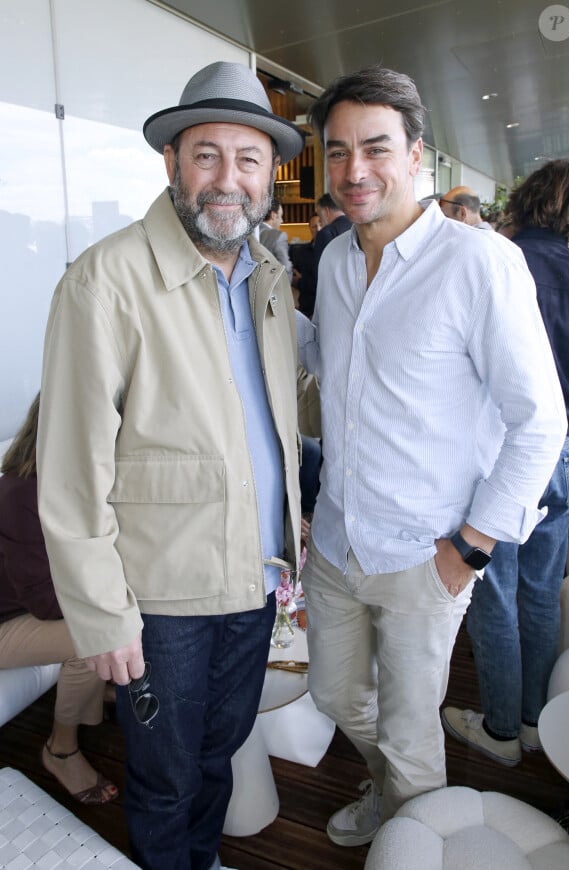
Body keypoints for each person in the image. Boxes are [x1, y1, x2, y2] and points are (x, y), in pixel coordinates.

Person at [36, 61, 304, 870]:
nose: (228, 178)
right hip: (164, 601)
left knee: (219, 753)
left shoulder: (268, 274)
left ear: (268, 175)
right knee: (162, 778)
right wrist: (104, 616)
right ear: (172, 163)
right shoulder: (104, 281)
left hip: (254, 581)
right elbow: (71, 471)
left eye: (247, 159)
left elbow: (270, 421)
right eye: (207, 155)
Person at [296, 65, 566, 848]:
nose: (354, 171)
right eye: (338, 151)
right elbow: (331, 362)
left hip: (428, 553)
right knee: (335, 692)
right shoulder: (339, 260)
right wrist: (266, 301)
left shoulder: (479, 262)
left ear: (418, 154)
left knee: (415, 741)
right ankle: (389, 794)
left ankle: (410, 834)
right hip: (341, 540)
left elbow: (538, 421)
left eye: (376, 148)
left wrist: (471, 547)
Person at [442, 158, 569, 765]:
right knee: (541, 592)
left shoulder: (492, 261)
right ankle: (532, 721)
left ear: (524, 200)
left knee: (492, 591)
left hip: (504, 453)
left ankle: (499, 729)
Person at [0, 394, 117, 805]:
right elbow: (45, 603)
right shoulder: (18, 495)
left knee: (109, 618)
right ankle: (60, 749)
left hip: (22, 609)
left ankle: (94, 697)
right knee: (94, 634)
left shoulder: (70, 487)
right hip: (6, 622)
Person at [291, 213, 321, 317]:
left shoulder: (332, 250)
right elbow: (295, 277)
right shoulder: (302, 252)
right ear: (310, 229)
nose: (318, 229)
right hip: (307, 307)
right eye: (314, 226)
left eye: (320, 224)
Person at [313, 192, 352, 271]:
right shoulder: (357, 227)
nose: (320, 220)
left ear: (327, 211)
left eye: (320, 215)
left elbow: (321, 269)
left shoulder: (325, 233)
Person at [259, 195, 294, 281]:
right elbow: (285, 267)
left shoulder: (248, 233)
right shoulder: (279, 236)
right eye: (280, 216)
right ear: (273, 216)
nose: (282, 221)